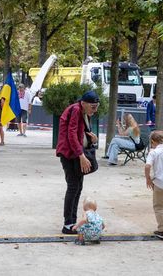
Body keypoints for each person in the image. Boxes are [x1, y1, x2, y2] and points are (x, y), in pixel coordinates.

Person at [56, 91, 99, 234]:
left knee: (78, 187)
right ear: (84, 103)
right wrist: (81, 155)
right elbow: (71, 134)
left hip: (75, 154)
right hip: (70, 154)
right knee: (73, 187)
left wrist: (93, 140)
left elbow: (80, 134)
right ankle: (68, 223)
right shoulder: (75, 110)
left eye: (96, 106)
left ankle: (72, 222)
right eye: (93, 107)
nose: (95, 110)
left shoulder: (83, 112)